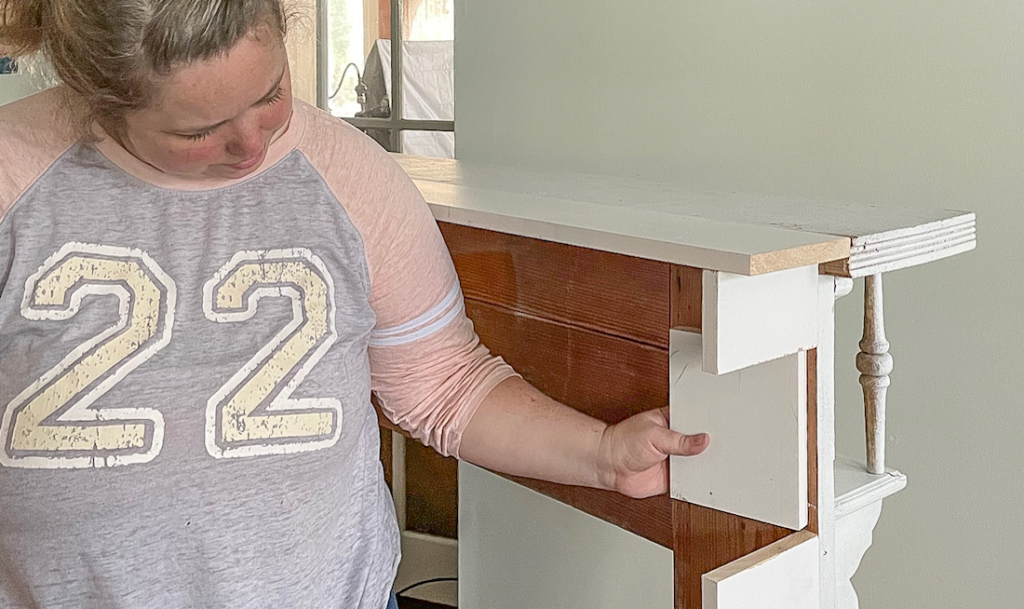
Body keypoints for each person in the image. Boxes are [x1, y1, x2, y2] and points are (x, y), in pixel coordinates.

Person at [0, 1, 709, 608]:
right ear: (99, 96)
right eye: (197, 132)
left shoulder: (350, 175)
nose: (251, 144)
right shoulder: (15, 174)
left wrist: (602, 455)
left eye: (269, 92)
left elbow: (442, 383)